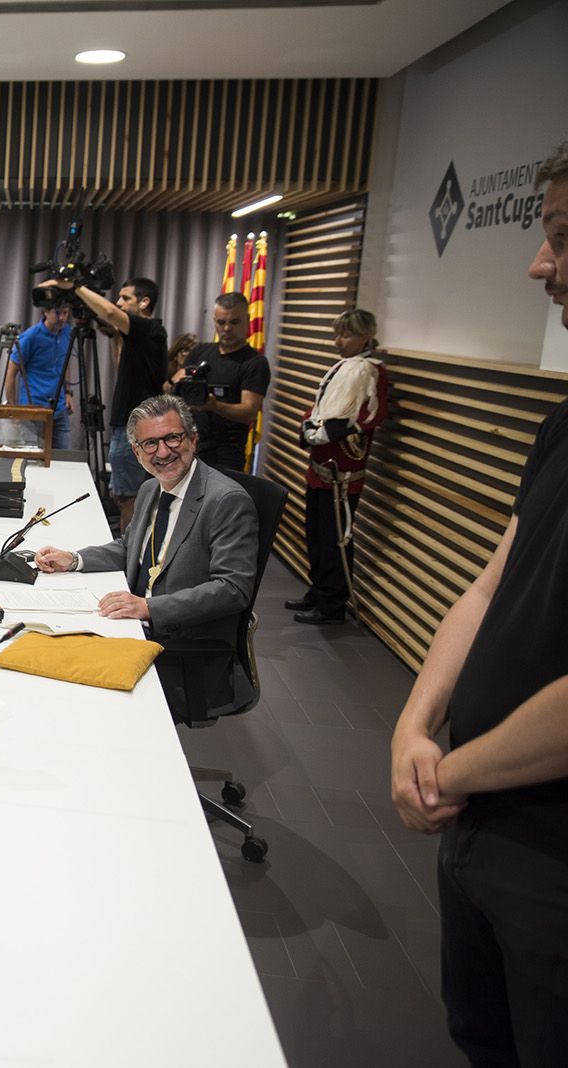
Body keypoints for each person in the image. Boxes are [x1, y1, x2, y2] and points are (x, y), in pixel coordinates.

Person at [389, 142, 568, 1066]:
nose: (541, 264)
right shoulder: (561, 422)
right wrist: (415, 722)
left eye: (564, 239)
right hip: (480, 818)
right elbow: (492, 583)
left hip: (546, 851)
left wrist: (449, 772)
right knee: (481, 1036)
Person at [32, 393, 258, 713]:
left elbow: (233, 590)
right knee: (44, 643)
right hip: (134, 626)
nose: (163, 452)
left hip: (181, 645)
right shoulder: (152, 487)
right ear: (137, 453)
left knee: (69, 690)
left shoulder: (226, 501)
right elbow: (130, 547)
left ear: (193, 439)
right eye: (150, 444)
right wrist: (76, 559)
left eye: (172, 438)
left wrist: (149, 608)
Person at [286, 309, 390, 625]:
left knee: (335, 540)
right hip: (319, 467)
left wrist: (327, 431)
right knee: (315, 535)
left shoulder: (370, 371)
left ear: (364, 336)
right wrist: (309, 425)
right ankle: (318, 590)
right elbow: (321, 407)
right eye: (337, 334)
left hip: (342, 472)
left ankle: (332, 604)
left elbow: (370, 414)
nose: (338, 341)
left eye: (345, 335)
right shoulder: (345, 367)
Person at [54, 276, 168, 528]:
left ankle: (130, 555)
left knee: (128, 497)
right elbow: (122, 367)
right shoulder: (137, 336)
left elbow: (108, 311)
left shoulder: (149, 329)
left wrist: (74, 286)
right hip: (128, 423)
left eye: (126, 298)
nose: (119, 303)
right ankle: (132, 549)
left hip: (137, 425)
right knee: (123, 495)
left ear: (145, 302)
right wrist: (116, 334)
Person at [172, 292, 269, 470]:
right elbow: (169, 389)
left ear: (247, 320)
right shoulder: (201, 351)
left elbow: (249, 412)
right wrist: (175, 383)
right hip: (187, 447)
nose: (226, 329)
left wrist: (214, 405)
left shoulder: (254, 363)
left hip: (225, 456)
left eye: (234, 322)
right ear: (214, 321)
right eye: (221, 322)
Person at [6, 302, 74, 449]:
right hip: (33, 408)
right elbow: (10, 375)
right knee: (33, 458)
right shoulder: (30, 337)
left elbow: (65, 362)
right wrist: (13, 410)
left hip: (59, 407)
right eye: (57, 313)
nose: (62, 317)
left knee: (65, 458)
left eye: (66, 313)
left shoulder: (68, 333)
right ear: (45, 312)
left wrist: (68, 392)